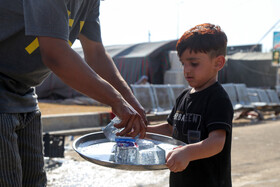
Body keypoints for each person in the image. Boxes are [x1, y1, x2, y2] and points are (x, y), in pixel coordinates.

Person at [0, 0, 147, 186]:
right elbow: (55, 54)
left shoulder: (90, 2)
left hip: (24, 91)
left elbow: (96, 54)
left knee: (34, 180)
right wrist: (116, 101)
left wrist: (129, 99)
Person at [147, 23, 234, 187]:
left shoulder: (217, 98)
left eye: (193, 63)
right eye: (183, 63)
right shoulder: (184, 96)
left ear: (218, 63)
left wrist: (188, 152)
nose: (186, 70)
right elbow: (170, 129)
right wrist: (142, 131)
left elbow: (216, 142)